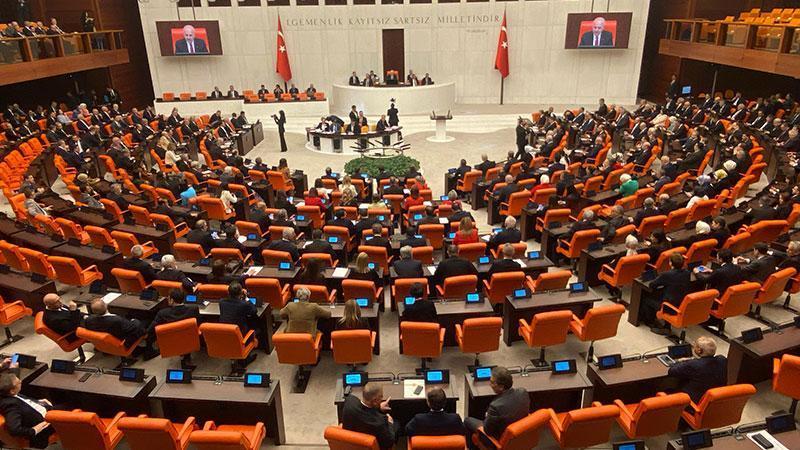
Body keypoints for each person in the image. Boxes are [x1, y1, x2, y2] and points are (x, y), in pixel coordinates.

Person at [464, 367, 530, 449]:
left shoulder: (495, 406)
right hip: (520, 433)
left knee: (467, 421)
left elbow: (488, 431)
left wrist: (487, 416)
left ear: (501, 387)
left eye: (492, 382)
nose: (489, 384)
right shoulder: (523, 392)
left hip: (499, 438)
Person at [0, 373, 55, 448]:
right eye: (18, 382)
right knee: (69, 408)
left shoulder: (10, 394)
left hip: (46, 410)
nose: (21, 381)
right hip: (46, 425)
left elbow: (23, 403)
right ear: (12, 391)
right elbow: (14, 430)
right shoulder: (10, 405)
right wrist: (34, 430)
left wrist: (38, 402)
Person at [668, 336, 727, 403]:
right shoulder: (722, 360)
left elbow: (671, 371)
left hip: (691, 401)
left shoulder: (694, 365)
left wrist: (679, 361)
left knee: (668, 390)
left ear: (699, 350)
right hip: (715, 399)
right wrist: (693, 360)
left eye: (695, 346)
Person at [341, 383, 398, 450]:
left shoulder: (350, 401)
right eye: (381, 396)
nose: (382, 398)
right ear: (374, 401)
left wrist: (379, 407)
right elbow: (389, 442)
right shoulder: (380, 422)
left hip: (349, 443)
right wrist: (390, 423)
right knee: (397, 425)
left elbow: (365, 409)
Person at [645, 253, 691, 333]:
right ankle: (666, 325)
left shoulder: (667, 274)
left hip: (669, 307)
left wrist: (659, 278)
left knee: (646, 299)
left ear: (670, 263)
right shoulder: (687, 273)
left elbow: (652, 285)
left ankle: (651, 322)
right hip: (681, 304)